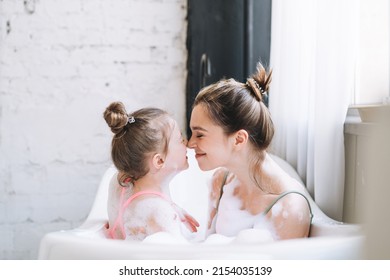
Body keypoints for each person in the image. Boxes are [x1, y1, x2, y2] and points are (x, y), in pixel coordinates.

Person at [187, 62, 313, 240]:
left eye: (199, 135)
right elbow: (208, 251)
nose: (190, 143)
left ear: (239, 139)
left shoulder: (289, 207)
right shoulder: (221, 181)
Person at [103, 102, 199, 241]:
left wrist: (173, 207)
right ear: (159, 161)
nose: (187, 143)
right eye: (180, 139)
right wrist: (168, 212)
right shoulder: (159, 213)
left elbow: (139, 205)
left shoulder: (121, 181)